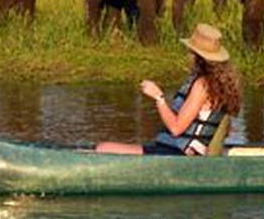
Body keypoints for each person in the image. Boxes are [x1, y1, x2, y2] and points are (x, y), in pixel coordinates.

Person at [97, 23, 241, 156]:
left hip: (178, 154)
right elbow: (226, 130)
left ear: (197, 56)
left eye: (190, 51)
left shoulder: (202, 85)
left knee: (102, 149)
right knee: (104, 147)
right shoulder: (216, 84)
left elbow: (176, 128)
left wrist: (159, 97)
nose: (188, 54)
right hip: (174, 150)